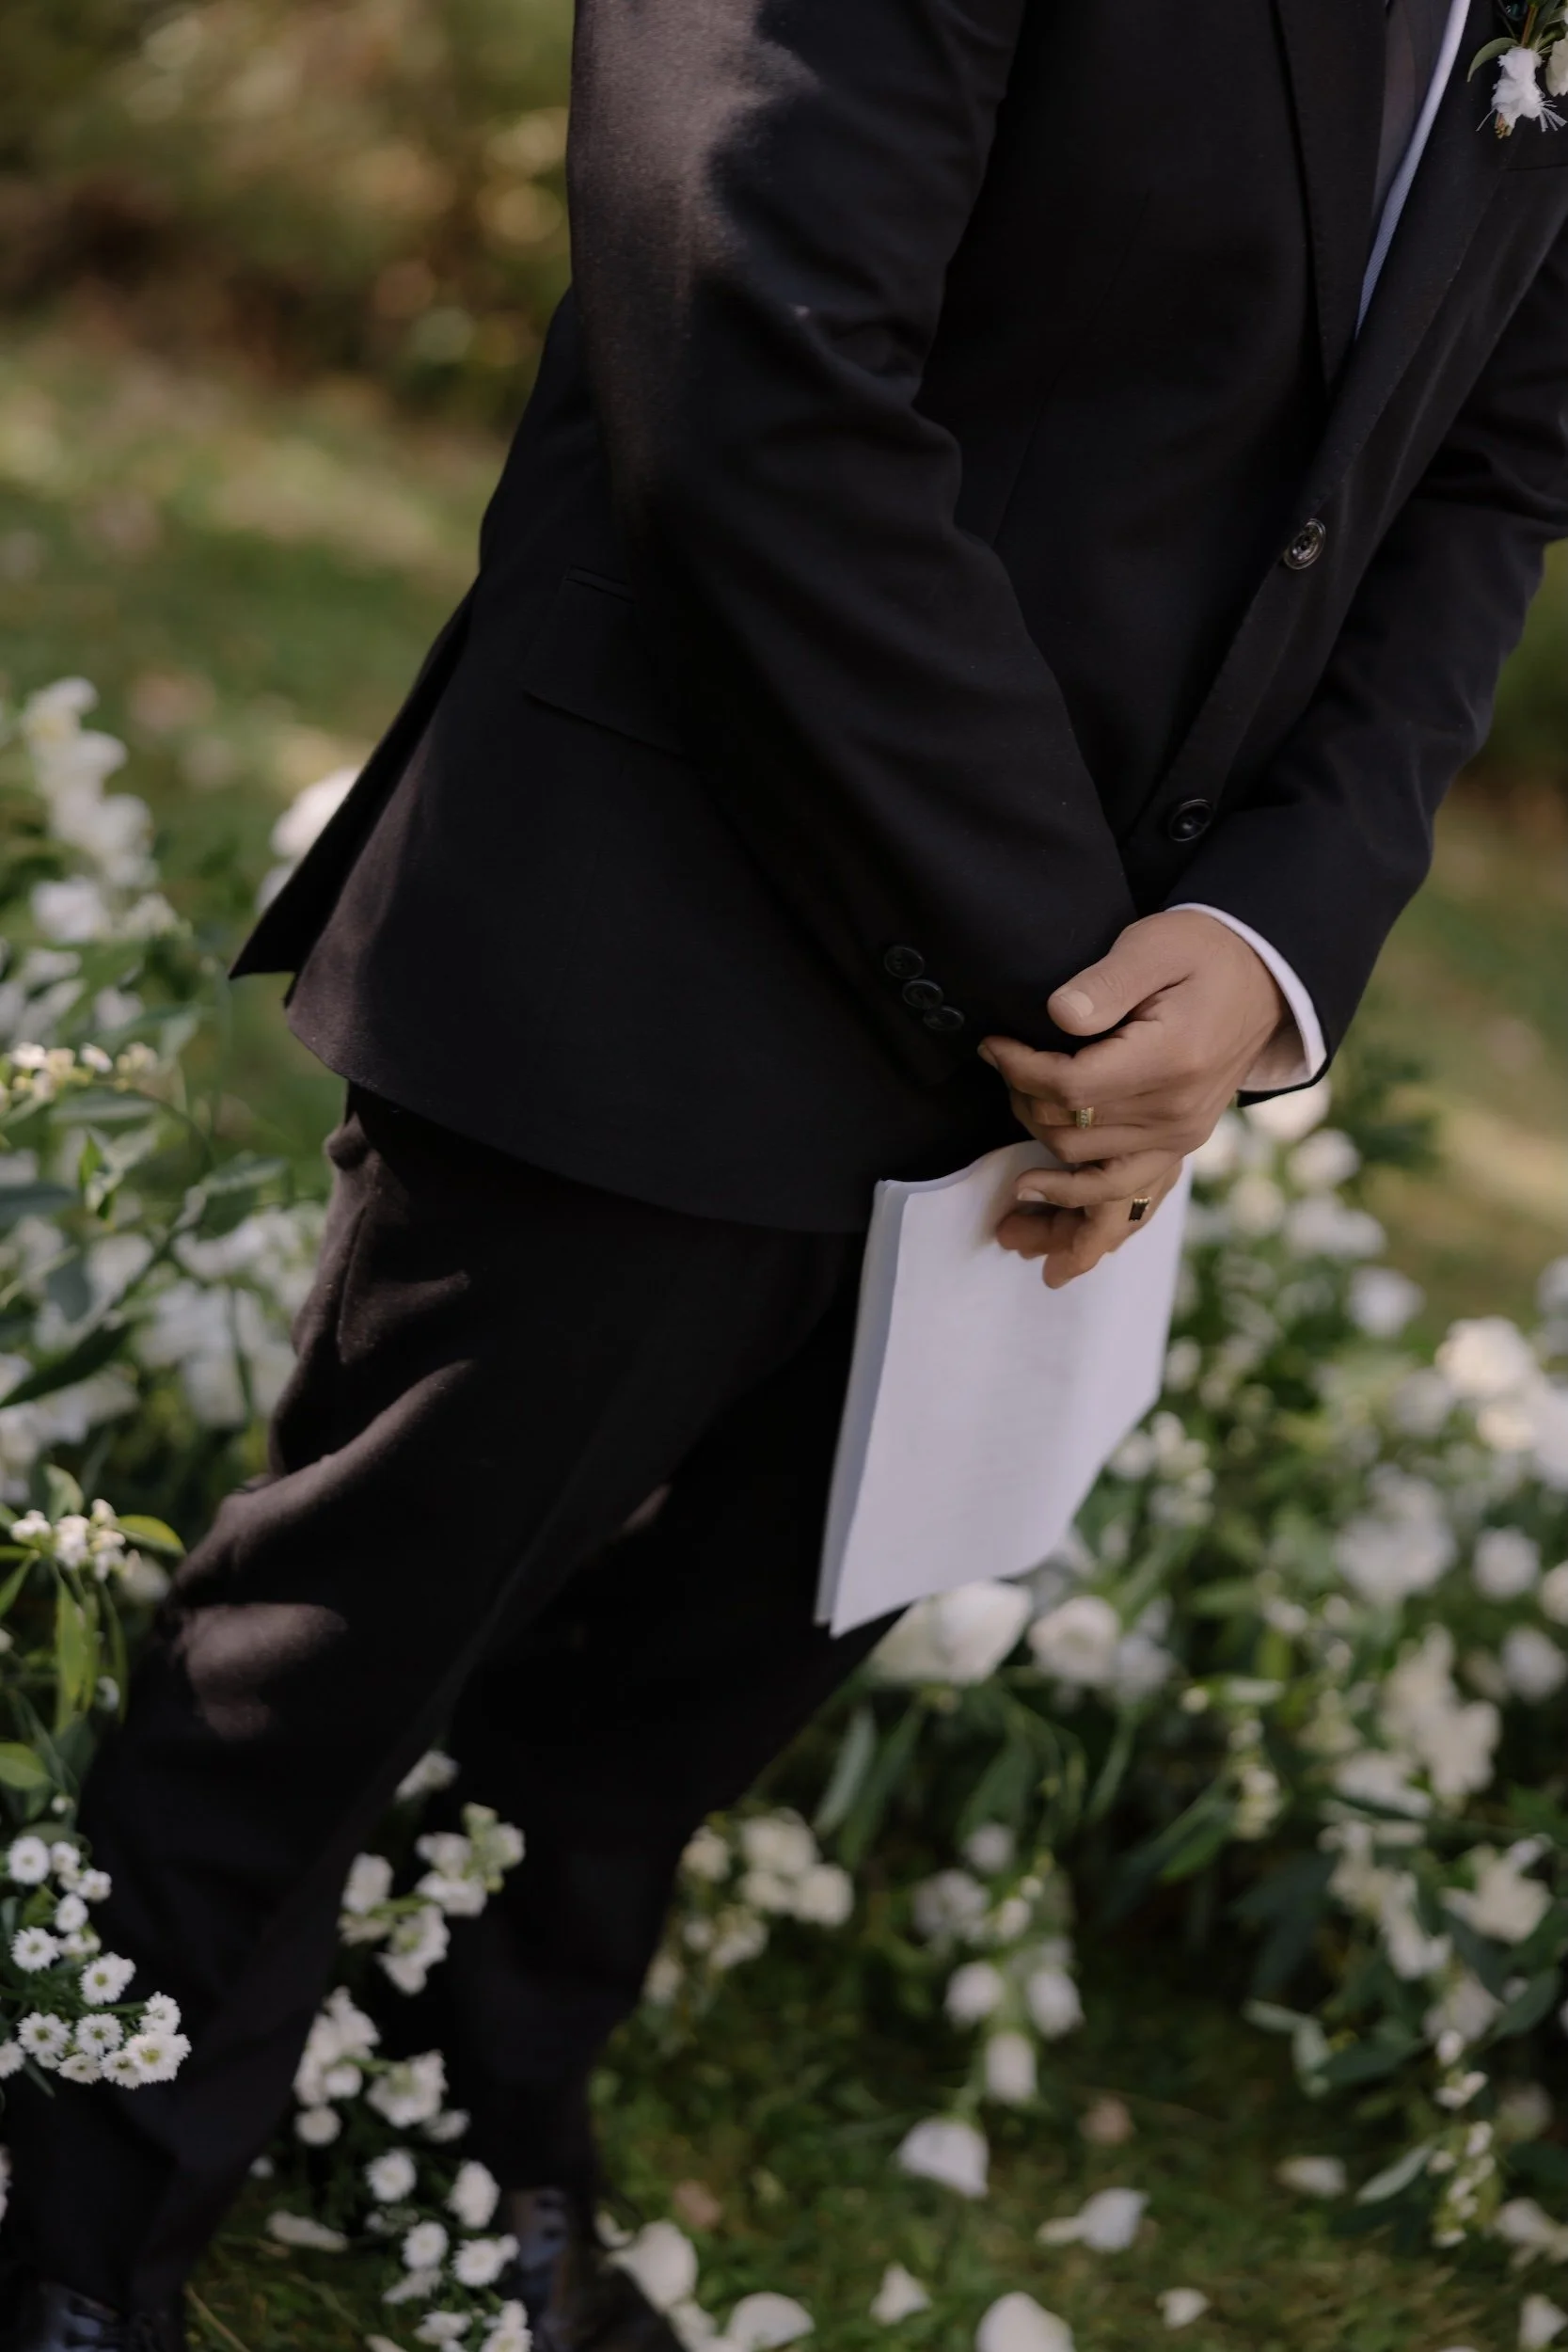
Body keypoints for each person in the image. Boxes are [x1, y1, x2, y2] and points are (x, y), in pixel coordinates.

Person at [6, 0, 1568, 2342]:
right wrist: (1070, 992)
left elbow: (1476, 476)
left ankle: (453, 2119)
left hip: (1098, 1029)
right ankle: (70, 2217)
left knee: (708, 1666)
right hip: (685, 886)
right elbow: (750, 322)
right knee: (351, 1626)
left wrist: (1259, 949)